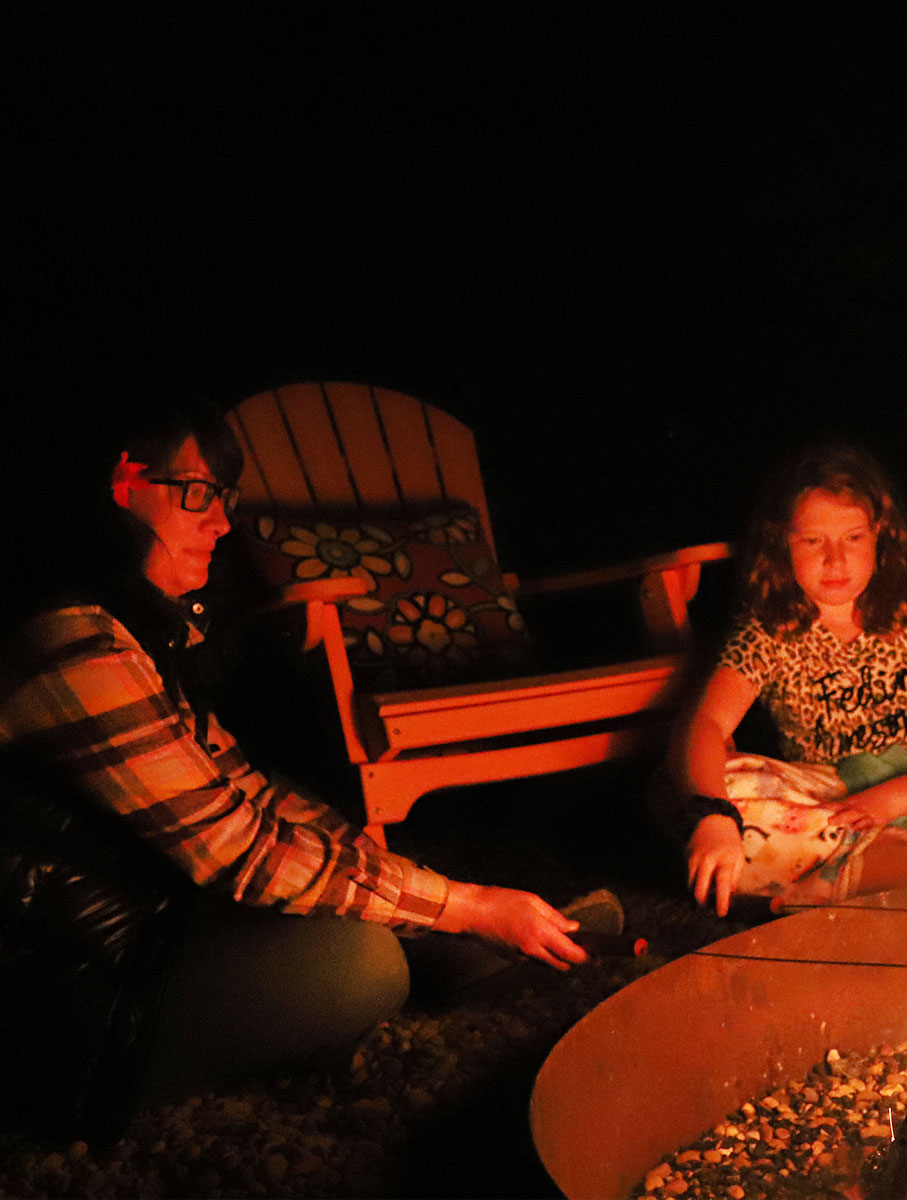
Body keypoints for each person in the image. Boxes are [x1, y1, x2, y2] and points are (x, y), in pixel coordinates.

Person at [0, 400, 616, 1141]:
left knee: (366, 904)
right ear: (118, 487)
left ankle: (448, 952)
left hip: (160, 937)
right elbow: (236, 851)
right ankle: (426, 960)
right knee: (357, 962)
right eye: (197, 491)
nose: (221, 523)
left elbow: (251, 793)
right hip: (86, 1019)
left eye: (223, 498)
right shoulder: (68, 646)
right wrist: (462, 906)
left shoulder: (133, 636)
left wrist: (404, 882)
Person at [654, 443, 907, 917]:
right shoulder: (772, 626)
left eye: (852, 538)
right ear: (782, 545)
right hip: (834, 804)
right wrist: (715, 819)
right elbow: (705, 725)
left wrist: (891, 800)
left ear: (879, 537)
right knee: (690, 789)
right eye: (813, 541)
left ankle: (882, 878)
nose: (835, 560)